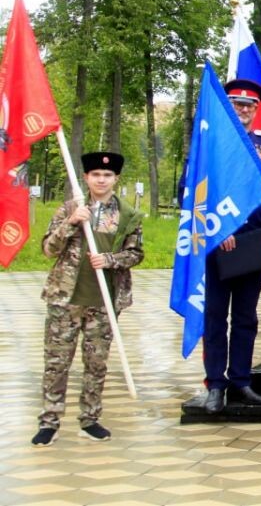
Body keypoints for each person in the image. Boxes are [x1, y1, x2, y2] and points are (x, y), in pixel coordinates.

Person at [32, 152, 144, 446]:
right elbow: (48, 249)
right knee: (56, 363)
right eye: (95, 175)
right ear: (85, 177)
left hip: (103, 301)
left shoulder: (128, 214)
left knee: (96, 364)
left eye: (107, 175)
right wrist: (70, 222)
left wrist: (110, 259)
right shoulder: (71, 208)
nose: (101, 180)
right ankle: (49, 422)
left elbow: (135, 254)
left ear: (116, 179)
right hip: (65, 299)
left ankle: (90, 419)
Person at [203, 79, 261, 414]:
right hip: (218, 242)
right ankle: (215, 384)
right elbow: (191, 189)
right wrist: (216, 227)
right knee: (215, 316)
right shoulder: (210, 142)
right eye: (236, 104)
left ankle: (240, 380)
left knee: (246, 317)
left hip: (255, 243)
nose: (243, 109)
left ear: (256, 110)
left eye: (249, 105)